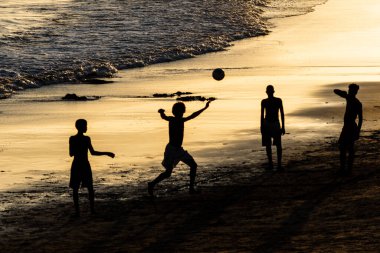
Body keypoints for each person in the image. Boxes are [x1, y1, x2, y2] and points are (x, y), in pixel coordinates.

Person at [148, 100, 212, 196]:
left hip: (178, 149)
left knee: (193, 165)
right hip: (172, 150)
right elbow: (193, 115)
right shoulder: (177, 120)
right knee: (168, 173)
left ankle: (191, 188)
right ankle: (152, 184)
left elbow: (164, 117)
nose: (183, 113)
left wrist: (161, 112)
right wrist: (204, 108)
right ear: (179, 112)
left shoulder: (173, 119)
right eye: (182, 111)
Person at [69, 119, 115, 216]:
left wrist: (77, 147)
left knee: (76, 189)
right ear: (81, 127)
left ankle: (78, 212)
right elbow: (93, 153)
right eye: (85, 126)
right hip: (84, 164)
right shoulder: (86, 139)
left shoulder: (72, 139)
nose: (86, 128)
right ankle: (92, 210)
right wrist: (107, 153)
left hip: (76, 164)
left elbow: (71, 154)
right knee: (89, 187)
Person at [334, 83, 362, 176]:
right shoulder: (350, 98)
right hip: (348, 126)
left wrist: (358, 130)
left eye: (351, 90)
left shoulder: (355, 101)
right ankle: (344, 169)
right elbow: (335, 91)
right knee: (345, 148)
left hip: (350, 127)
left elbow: (361, 118)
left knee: (346, 148)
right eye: (349, 90)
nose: (350, 92)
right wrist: (344, 93)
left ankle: (347, 170)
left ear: (355, 92)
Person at [261, 85, 285, 170]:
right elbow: (282, 114)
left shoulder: (265, 101)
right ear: (273, 91)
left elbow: (262, 116)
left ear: (267, 92)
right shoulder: (277, 101)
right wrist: (283, 126)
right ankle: (277, 164)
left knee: (271, 145)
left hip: (269, 123)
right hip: (272, 123)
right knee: (276, 145)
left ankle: (272, 164)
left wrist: (261, 126)